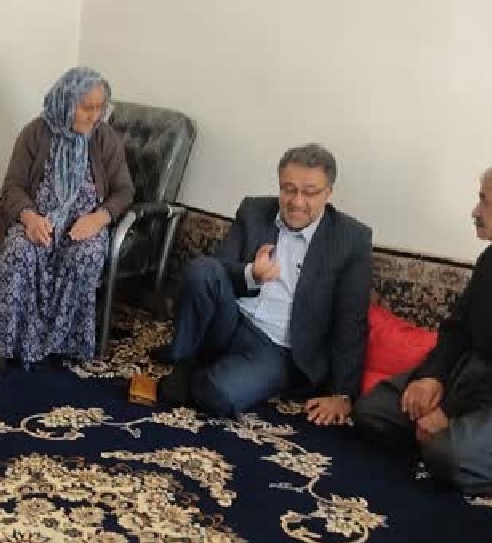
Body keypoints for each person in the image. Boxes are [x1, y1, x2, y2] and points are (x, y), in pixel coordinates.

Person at [352, 161, 492, 495]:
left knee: (448, 455)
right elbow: (456, 329)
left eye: (485, 201)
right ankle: (445, 438)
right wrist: (431, 377)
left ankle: (471, 446)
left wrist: (448, 412)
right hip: (467, 375)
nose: (475, 211)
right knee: (372, 412)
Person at [153, 143, 372, 421]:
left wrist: (343, 394)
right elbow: (218, 269)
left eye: (310, 192)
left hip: (275, 347)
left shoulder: (351, 239)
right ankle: (184, 362)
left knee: (218, 396)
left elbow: (351, 319)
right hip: (231, 318)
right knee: (201, 270)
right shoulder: (254, 210)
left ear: (328, 193)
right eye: (289, 189)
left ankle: (202, 366)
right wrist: (252, 275)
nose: (297, 202)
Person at [0, 66, 134, 377]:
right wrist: (29, 218)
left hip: (84, 226)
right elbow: (12, 186)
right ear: (66, 101)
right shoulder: (34, 133)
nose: (94, 116)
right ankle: (2, 346)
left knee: (86, 255)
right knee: (16, 252)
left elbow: (124, 190)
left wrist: (99, 218)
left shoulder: (104, 137)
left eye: (100, 108)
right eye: (87, 107)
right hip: (40, 222)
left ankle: (65, 345)